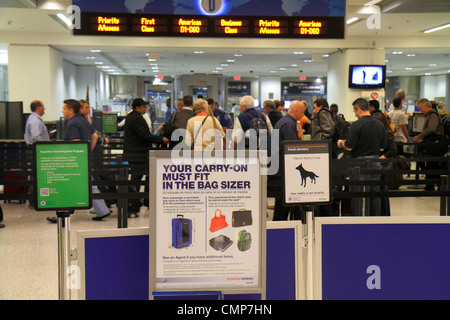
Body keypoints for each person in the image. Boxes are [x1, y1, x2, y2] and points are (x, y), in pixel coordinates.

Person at [47, 99, 111, 223]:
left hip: (74, 161)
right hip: (83, 159)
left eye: (64, 108)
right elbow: (94, 136)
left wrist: (71, 160)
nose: (62, 111)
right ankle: (102, 210)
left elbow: (75, 142)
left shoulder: (72, 123)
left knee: (65, 186)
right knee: (90, 185)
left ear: (71, 110)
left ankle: (60, 215)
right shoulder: (83, 120)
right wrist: (88, 152)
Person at [337, 98, 387, 216]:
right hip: (375, 161)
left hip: (358, 163)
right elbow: (383, 147)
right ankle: (375, 219)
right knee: (374, 192)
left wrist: (341, 143)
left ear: (358, 109)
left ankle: (358, 219)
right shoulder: (380, 124)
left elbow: (349, 146)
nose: (354, 113)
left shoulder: (356, 125)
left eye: (354, 111)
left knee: (357, 193)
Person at [124, 98, 168, 216]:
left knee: (136, 176)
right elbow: (144, 135)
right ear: (138, 107)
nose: (145, 108)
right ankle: (133, 203)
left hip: (132, 152)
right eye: (144, 106)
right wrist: (160, 139)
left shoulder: (130, 117)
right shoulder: (137, 118)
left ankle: (135, 202)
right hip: (138, 153)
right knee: (137, 177)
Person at [271, 100, 307, 221]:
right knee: (284, 203)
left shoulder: (283, 121)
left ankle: (279, 227)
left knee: (281, 203)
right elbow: (293, 149)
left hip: (278, 165)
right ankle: (282, 228)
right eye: (302, 112)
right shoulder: (289, 125)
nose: (303, 115)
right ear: (295, 110)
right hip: (284, 168)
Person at [413, 98, 448, 191]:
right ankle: (431, 184)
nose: (420, 111)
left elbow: (431, 129)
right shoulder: (430, 115)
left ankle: (432, 184)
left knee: (432, 164)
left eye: (421, 108)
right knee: (431, 164)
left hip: (433, 145)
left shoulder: (433, 115)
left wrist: (420, 136)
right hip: (432, 144)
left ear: (426, 106)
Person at [25, 100, 52, 207]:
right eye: (43, 107)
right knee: (35, 175)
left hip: (36, 149)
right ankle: (33, 200)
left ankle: (34, 199)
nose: (44, 109)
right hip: (36, 150)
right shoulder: (35, 121)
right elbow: (36, 137)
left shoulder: (34, 119)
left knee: (35, 174)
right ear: (38, 107)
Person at [372, 112, 398, 216]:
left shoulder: (387, 133)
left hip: (383, 165)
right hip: (378, 164)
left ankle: (384, 214)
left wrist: (383, 157)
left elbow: (393, 149)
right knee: (380, 190)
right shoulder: (378, 132)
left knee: (382, 190)